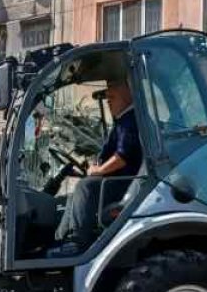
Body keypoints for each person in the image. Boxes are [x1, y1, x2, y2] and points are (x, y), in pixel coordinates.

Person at [51, 76, 143, 256]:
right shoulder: (123, 121)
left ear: (127, 95)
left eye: (112, 99)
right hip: (119, 181)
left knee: (86, 187)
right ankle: (62, 239)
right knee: (74, 194)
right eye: (107, 99)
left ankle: (77, 241)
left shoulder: (130, 121)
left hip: (126, 183)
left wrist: (99, 170)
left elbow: (123, 156)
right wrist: (96, 166)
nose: (109, 104)